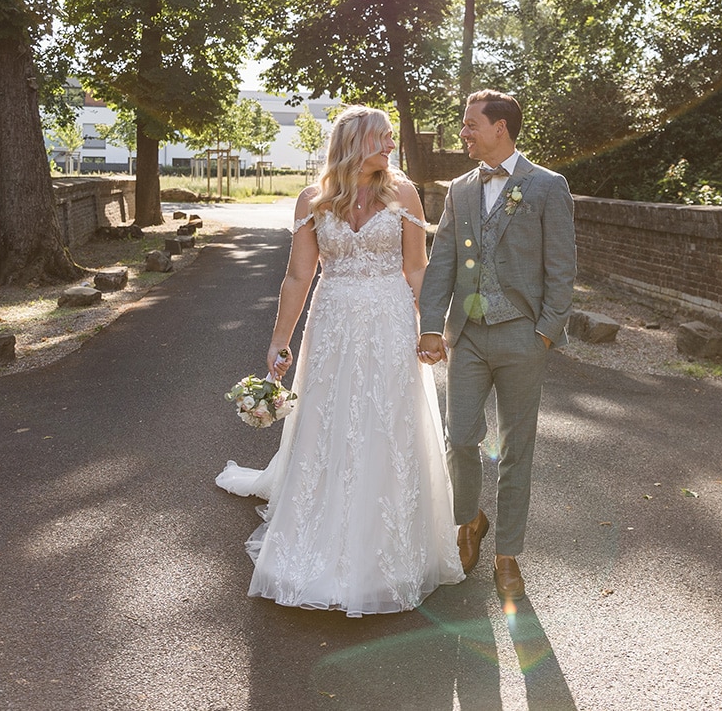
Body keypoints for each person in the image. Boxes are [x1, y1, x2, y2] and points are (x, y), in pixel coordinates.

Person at [216, 107, 464, 616]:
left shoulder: (404, 193)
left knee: (385, 422)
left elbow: (416, 268)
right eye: (383, 140)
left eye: (392, 140)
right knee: (329, 421)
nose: (391, 148)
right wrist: (279, 342)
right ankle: (317, 538)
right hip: (330, 325)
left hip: (390, 322)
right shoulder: (313, 200)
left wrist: (433, 329)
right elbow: (297, 277)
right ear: (355, 143)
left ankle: (387, 551)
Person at [417, 90, 576, 602]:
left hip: (521, 337)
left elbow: (562, 267)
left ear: (500, 128)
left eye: (470, 124)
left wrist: (546, 332)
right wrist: (430, 326)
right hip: (466, 337)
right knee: (460, 439)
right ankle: (470, 521)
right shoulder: (460, 190)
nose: (463, 132)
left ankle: (507, 554)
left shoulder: (548, 187)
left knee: (516, 448)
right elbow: (441, 260)